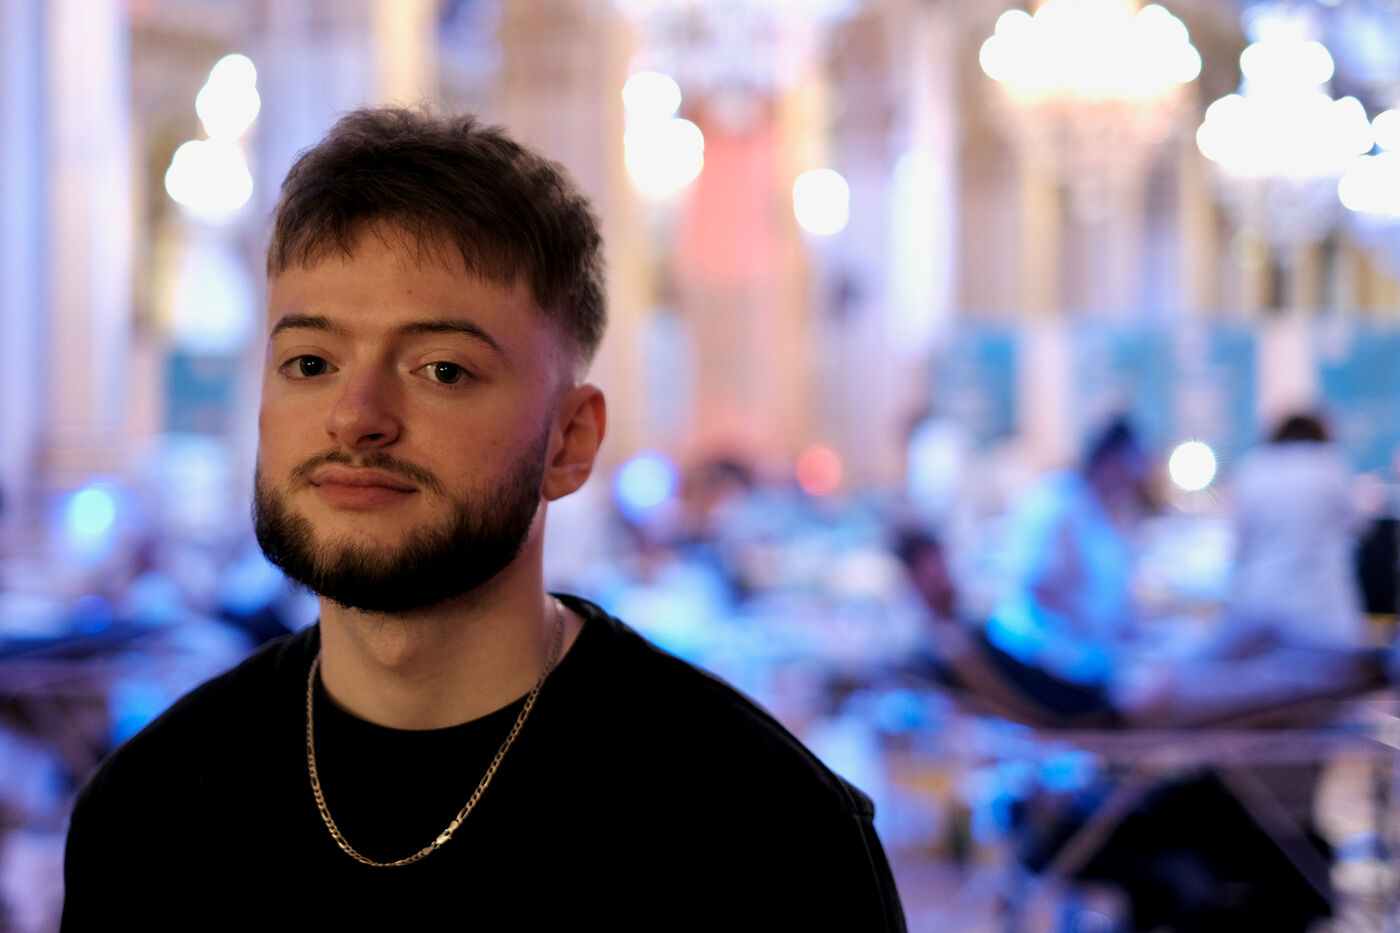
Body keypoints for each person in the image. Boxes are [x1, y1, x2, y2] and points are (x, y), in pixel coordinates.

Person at [61, 109, 905, 930]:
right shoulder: (149, 811)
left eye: (442, 369)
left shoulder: (766, 833)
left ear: (569, 441)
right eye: (310, 362)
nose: (355, 416)